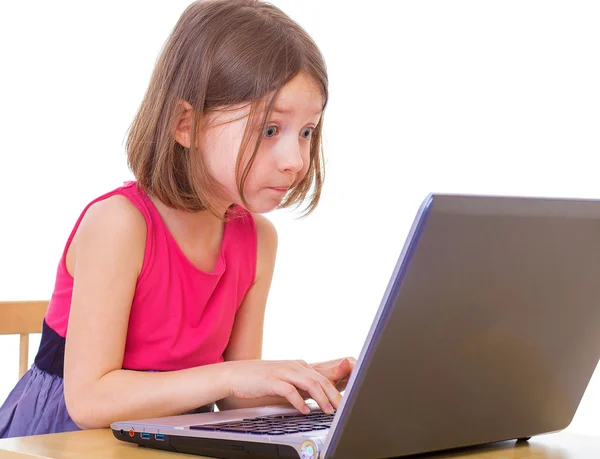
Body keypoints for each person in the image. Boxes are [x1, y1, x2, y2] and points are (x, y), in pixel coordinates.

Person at [0, 0, 356, 439]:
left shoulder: (258, 239)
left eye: (307, 132)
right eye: (270, 130)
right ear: (185, 124)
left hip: (166, 436)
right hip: (62, 438)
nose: (296, 160)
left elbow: (234, 398)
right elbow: (90, 400)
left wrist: (301, 380)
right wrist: (231, 375)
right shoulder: (119, 225)